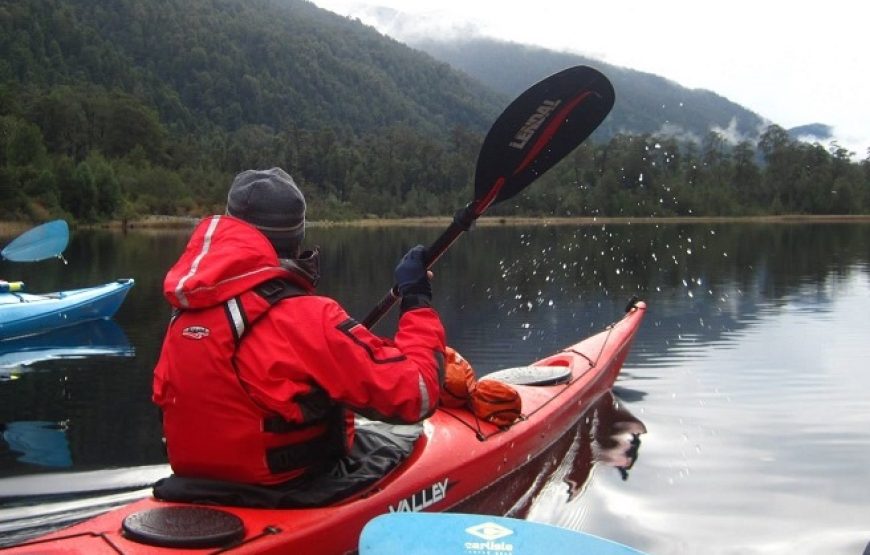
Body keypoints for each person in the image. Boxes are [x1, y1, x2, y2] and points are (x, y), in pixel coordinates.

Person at [151, 167, 446, 507]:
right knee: (401, 434)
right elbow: (418, 393)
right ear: (297, 237)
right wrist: (416, 301)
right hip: (285, 490)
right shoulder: (308, 317)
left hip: (193, 484)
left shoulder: (185, 308)